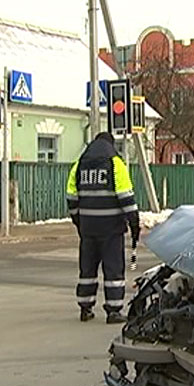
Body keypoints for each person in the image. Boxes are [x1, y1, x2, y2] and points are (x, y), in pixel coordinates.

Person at [66, 132, 140, 323]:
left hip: (88, 228)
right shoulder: (115, 163)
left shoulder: (80, 164)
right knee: (113, 268)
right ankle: (113, 310)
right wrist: (134, 222)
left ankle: (85, 308)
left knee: (87, 268)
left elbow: (72, 197)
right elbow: (125, 196)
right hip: (111, 228)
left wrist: (79, 221)